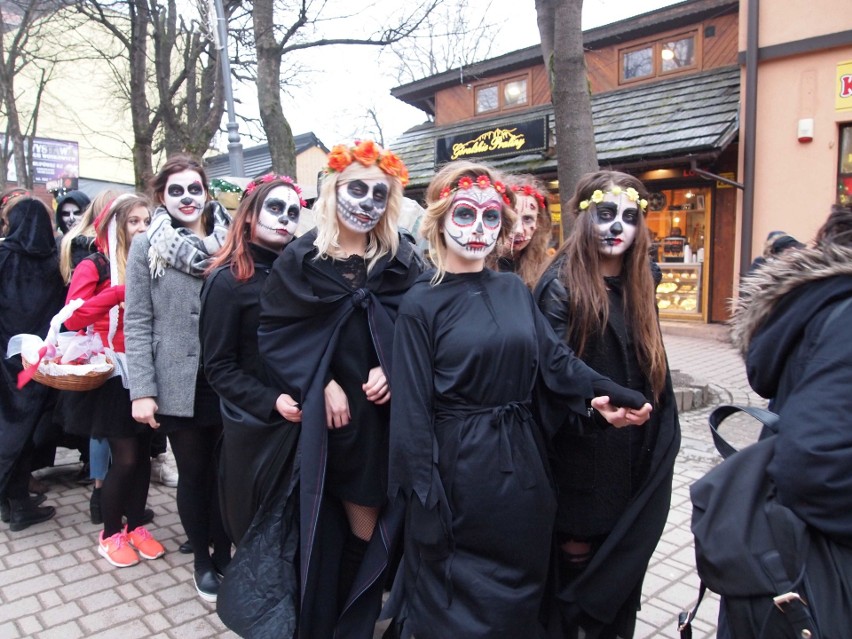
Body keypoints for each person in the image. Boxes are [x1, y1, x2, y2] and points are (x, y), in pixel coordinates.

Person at [386, 161, 653, 639]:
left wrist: (606, 393)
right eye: (466, 215)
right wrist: (424, 501)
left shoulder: (512, 288)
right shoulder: (418, 304)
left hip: (523, 470)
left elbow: (556, 363)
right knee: (455, 602)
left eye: (491, 218)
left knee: (522, 593)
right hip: (458, 473)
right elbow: (409, 414)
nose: (479, 229)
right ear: (441, 219)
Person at [257, 140, 419, 639]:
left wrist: (395, 367)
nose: (367, 201)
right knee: (344, 523)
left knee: (379, 522)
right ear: (333, 191)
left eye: (378, 192)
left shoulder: (402, 259)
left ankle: (357, 614)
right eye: (356, 188)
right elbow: (276, 332)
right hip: (333, 426)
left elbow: (423, 332)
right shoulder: (303, 259)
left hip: (386, 422)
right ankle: (342, 620)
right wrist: (319, 381)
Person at [534, 170, 681, 638]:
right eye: (605, 213)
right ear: (583, 217)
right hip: (580, 452)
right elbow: (550, 370)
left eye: (629, 217)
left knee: (622, 566)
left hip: (635, 454)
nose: (617, 226)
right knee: (579, 573)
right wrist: (595, 410)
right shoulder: (560, 284)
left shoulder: (643, 280)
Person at [726, 203, 852, 638]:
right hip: (813, 575)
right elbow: (813, 460)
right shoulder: (846, 314)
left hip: (786, 562)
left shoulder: (823, 306)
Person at [201, 174, 305, 637]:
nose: (285, 219)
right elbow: (219, 367)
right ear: (250, 214)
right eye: (275, 209)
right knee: (257, 527)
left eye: (293, 212)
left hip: (305, 421)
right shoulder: (227, 281)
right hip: (255, 427)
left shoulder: (303, 272)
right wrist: (271, 402)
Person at [124, 154, 231, 601]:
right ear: (162, 197)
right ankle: (202, 563)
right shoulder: (148, 245)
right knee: (194, 472)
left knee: (227, 472)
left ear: (206, 192)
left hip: (228, 377)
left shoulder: (232, 240)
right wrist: (142, 391)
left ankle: (225, 552)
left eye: (195, 188)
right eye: (176, 190)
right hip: (177, 380)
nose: (187, 197)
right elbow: (137, 321)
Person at [61, 193, 165, 567]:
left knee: (142, 458)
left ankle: (136, 526)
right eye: (133, 221)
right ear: (115, 225)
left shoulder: (152, 261)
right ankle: (109, 534)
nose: (141, 228)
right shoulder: (95, 264)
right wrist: (119, 293)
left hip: (146, 372)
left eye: (145, 220)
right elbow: (72, 318)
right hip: (110, 375)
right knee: (125, 457)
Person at [0, 191, 65, 531]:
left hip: (4, 359)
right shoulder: (56, 263)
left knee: (10, 431)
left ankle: (14, 501)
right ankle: (18, 503)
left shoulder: (2, 256)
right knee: (23, 433)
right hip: (36, 365)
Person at [488, 173, 553, 289]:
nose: (518, 230)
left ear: (538, 223)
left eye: (528, 219)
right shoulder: (475, 266)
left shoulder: (546, 271)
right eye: (511, 218)